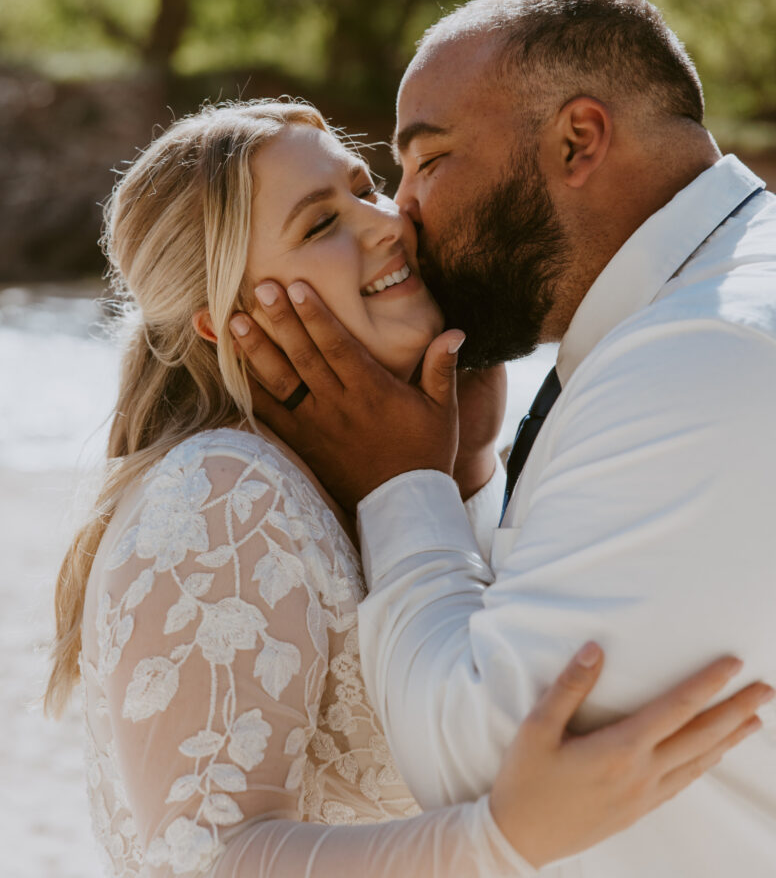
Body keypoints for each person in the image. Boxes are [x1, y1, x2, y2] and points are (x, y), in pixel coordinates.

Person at [45, 100, 767, 878]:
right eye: (321, 225)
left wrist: (463, 472)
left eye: (366, 188)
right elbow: (202, 858)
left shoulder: (359, 477)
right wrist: (501, 840)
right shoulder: (218, 494)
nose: (388, 224)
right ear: (228, 322)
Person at [229, 0, 776, 875]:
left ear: (577, 139)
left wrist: (402, 485)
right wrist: (473, 466)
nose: (401, 211)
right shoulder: (695, 313)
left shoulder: (696, 357)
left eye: (430, 159)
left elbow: (477, 767)